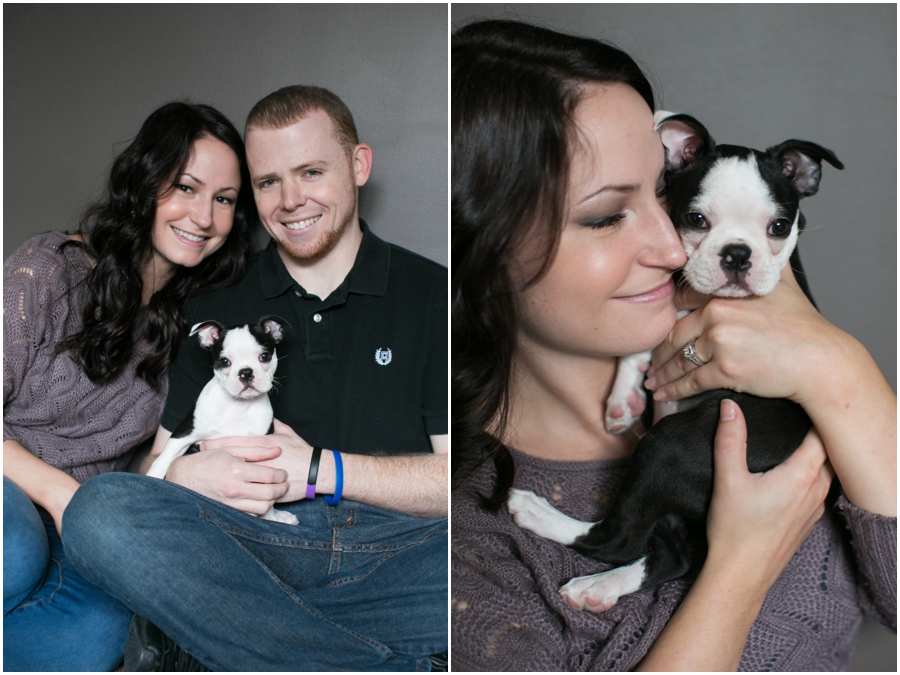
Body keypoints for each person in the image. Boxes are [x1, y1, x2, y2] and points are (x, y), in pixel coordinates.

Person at [450, 19, 896, 671]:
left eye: (667, 195)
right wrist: (739, 569)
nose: (669, 247)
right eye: (606, 215)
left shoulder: (801, 382)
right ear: (486, 251)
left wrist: (841, 370)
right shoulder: (465, 544)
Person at [62, 85, 448, 671]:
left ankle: (251, 639)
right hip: (256, 545)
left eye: (312, 171)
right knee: (99, 511)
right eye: (269, 182)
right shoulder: (214, 305)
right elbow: (155, 469)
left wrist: (319, 468)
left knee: (488, 554)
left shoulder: (435, 295)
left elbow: (455, 486)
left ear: (359, 165)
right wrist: (191, 474)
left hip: (398, 553)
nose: (291, 200)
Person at [3, 101, 254, 671]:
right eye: (186, 187)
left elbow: (140, 461)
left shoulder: (196, 328)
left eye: (223, 199)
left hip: (77, 534)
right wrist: (59, 493)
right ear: (146, 181)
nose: (204, 216)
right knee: (15, 550)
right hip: (13, 495)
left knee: (104, 633)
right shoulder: (48, 270)